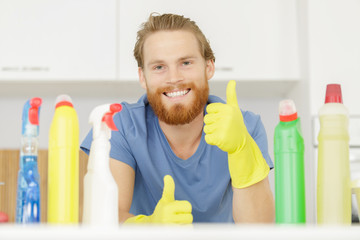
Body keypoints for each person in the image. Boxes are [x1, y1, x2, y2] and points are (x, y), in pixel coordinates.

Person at [81, 13, 275, 224]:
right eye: (159, 67)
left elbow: (259, 228)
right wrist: (148, 228)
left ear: (208, 67)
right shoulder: (119, 126)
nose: (174, 78)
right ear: (142, 77)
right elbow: (102, 217)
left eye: (186, 63)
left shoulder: (245, 127)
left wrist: (241, 149)